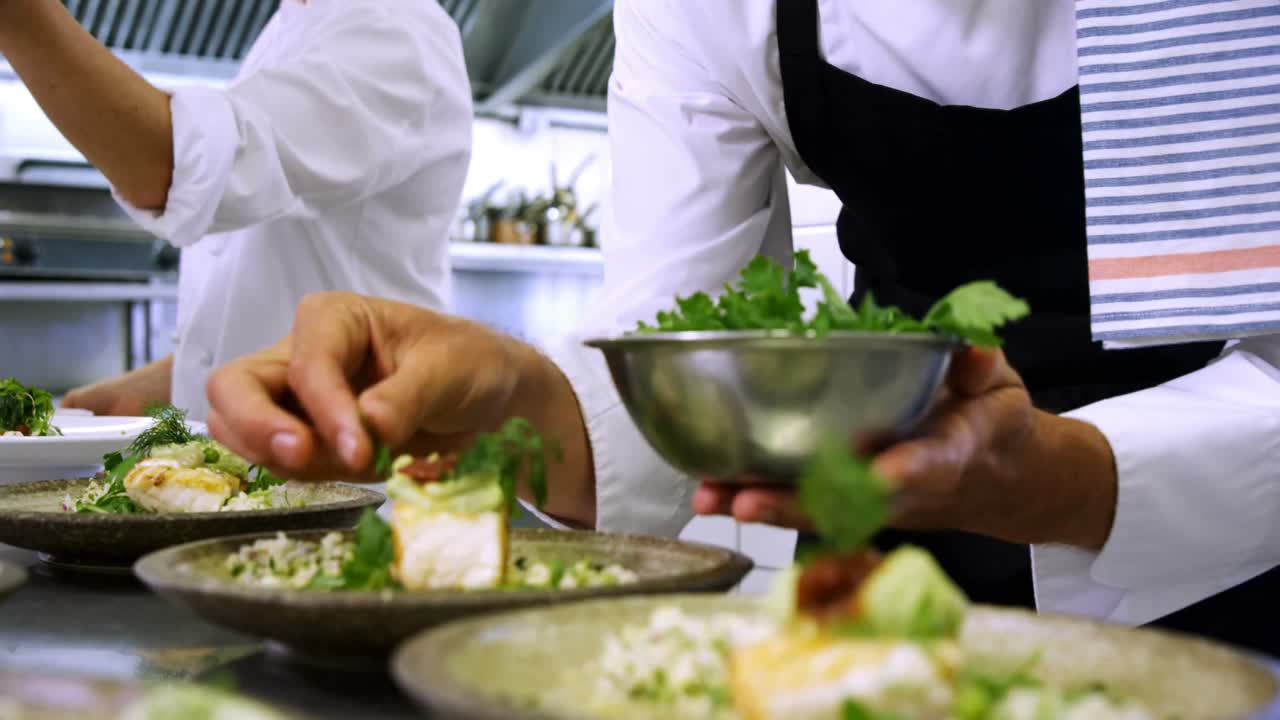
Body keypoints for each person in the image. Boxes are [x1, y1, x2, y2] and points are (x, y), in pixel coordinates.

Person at [203, 0, 1280, 655]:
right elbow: (672, 374)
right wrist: (515, 401)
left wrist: (1063, 477)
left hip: (1238, 574)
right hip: (884, 586)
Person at [0, 0, 472, 420]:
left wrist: (19, 16)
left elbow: (173, 166)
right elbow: (285, 280)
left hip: (349, 468)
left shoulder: (395, 28)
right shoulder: (294, 24)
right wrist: (176, 379)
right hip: (276, 454)